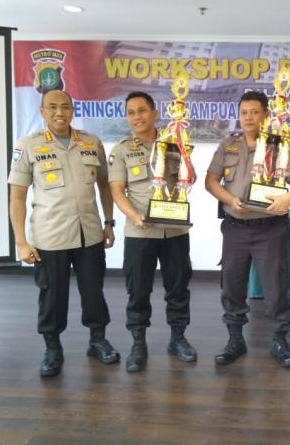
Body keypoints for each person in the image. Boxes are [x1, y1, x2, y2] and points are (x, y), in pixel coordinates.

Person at [8, 89, 120, 377]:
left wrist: (109, 222)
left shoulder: (91, 142)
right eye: (53, 107)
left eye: (65, 107)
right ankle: (52, 349)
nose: (60, 112)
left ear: (72, 110)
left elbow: (105, 185)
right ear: (42, 112)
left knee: (93, 291)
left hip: (89, 233)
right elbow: (17, 197)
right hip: (50, 236)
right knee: (52, 296)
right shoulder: (28, 146)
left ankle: (98, 340)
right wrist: (21, 242)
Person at [205, 91, 290, 368]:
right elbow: (211, 181)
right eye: (244, 112)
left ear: (265, 115)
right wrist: (229, 200)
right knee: (232, 284)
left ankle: (280, 340)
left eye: (254, 112)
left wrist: (288, 198)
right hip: (235, 228)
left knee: (275, 286)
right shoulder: (229, 144)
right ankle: (235, 339)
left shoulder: (280, 146)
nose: (249, 117)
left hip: (270, 228)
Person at [108, 91, 197, 373]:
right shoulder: (122, 150)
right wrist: (134, 216)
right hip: (140, 232)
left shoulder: (174, 142)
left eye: (142, 110)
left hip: (174, 230)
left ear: (155, 113)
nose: (137, 117)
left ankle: (178, 338)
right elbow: (117, 191)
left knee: (178, 288)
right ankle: (138, 343)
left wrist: (185, 157)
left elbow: (191, 177)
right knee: (138, 290)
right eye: (131, 112)